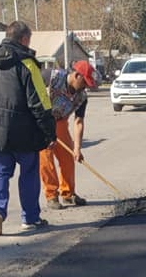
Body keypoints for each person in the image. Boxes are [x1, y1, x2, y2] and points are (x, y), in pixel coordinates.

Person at [0, 21, 56, 236]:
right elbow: (40, 101)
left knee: (0, 172)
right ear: (25, 39)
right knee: (28, 173)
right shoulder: (27, 63)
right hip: (23, 130)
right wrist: (48, 131)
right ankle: (30, 218)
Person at [39, 60, 97, 209]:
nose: (85, 87)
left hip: (60, 123)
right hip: (43, 123)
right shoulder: (50, 77)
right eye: (84, 82)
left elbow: (78, 121)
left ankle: (68, 193)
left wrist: (77, 148)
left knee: (68, 156)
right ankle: (52, 196)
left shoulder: (81, 97)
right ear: (77, 75)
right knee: (46, 158)